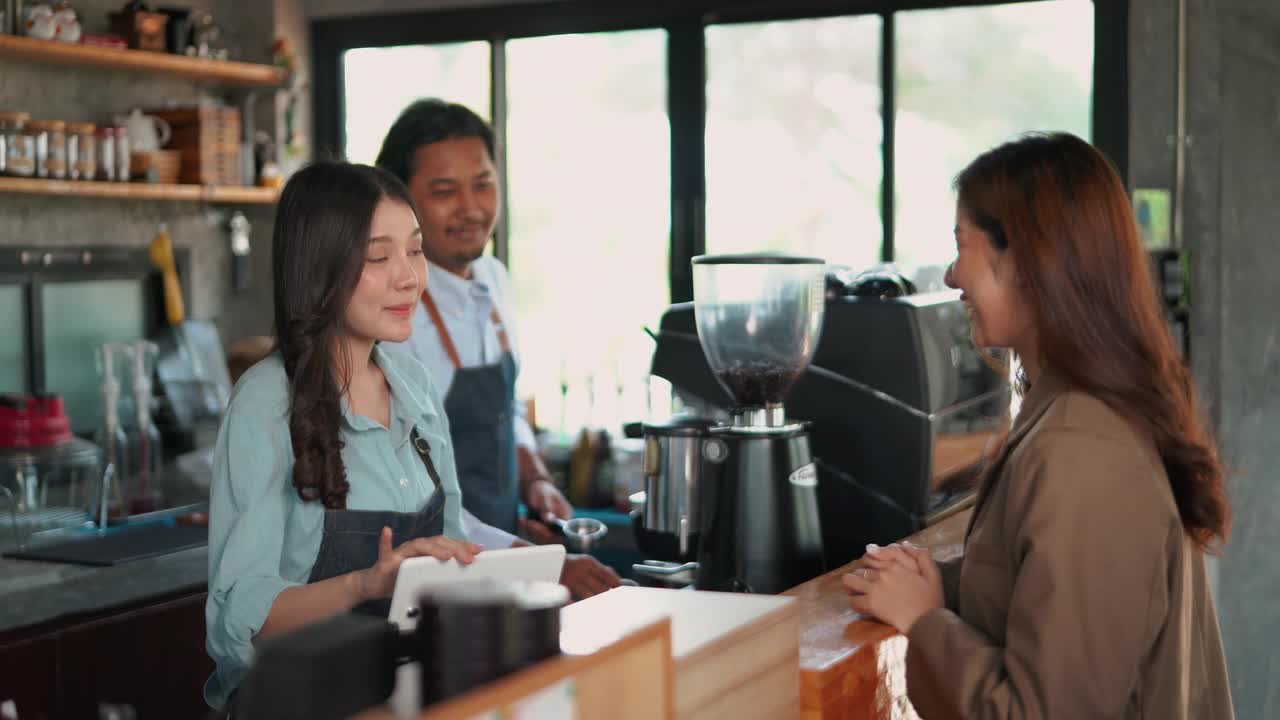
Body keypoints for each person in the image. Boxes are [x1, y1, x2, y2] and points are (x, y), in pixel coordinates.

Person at [841, 133, 1234, 719]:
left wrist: (925, 620)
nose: (951, 276)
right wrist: (942, 584)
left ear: (1025, 261)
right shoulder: (1081, 414)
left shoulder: (1083, 450)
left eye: (961, 246)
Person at [205, 162, 556, 710]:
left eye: (414, 251)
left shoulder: (412, 385)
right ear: (320, 269)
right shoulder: (264, 403)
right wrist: (365, 585)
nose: (409, 277)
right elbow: (238, 620)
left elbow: (455, 539)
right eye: (378, 257)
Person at [374, 99, 620, 596]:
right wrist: (544, 565)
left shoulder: (495, 280)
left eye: (483, 184)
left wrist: (535, 482)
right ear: (400, 202)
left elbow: (506, 410)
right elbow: (418, 497)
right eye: (444, 191)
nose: (471, 208)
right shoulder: (392, 313)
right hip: (430, 574)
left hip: (503, 556)